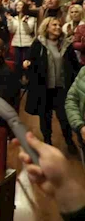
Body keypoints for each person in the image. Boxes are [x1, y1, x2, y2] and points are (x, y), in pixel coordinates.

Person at [24, 17, 80, 153]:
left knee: (64, 116)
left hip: (62, 87)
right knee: (45, 116)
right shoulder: (38, 43)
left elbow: (74, 65)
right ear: (46, 27)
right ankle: (47, 140)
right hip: (44, 87)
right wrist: (27, 64)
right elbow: (30, 60)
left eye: (59, 25)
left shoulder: (66, 43)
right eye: (54, 25)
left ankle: (69, 141)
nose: (58, 27)